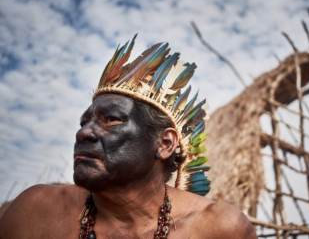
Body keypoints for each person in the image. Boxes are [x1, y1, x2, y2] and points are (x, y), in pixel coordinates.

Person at [0, 36, 257, 239]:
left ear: (165, 143)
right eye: (84, 122)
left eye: (110, 119)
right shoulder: (35, 212)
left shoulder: (218, 229)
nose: (83, 133)